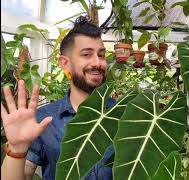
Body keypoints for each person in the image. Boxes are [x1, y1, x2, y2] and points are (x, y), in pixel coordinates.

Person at [1, 16, 115, 180]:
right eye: (86, 54)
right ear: (64, 63)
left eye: (101, 55)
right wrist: (17, 148)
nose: (98, 63)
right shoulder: (44, 119)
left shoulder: (125, 115)